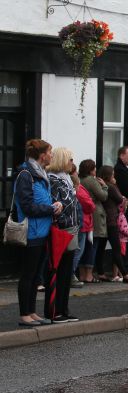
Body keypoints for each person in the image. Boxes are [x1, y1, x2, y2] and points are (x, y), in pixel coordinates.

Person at [13, 139, 61, 328]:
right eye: (50, 152)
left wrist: (54, 206)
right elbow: (27, 206)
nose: (52, 155)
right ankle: (24, 314)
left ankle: (31, 311)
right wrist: (50, 209)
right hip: (31, 232)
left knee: (35, 277)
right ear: (42, 155)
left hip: (42, 231)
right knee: (28, 275)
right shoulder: (26, 174)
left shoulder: (40, 174)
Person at [45, 147, 82, 323]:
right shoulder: (53, 180)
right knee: (58, 272)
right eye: (70, 160)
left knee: (67, 273)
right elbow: (59, 206)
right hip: (61, 230)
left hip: (71, 229)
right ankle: (55, 310)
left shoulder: (66, 179)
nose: (72, 163)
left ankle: (64, 308)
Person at [96, 165, 128, 283]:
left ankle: (101, 272)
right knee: (116, 248)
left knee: (101, 248)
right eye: (112, 174)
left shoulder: (103, 186)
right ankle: (125, 275)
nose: (114, 176)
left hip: (106, 219)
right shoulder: (111, 187)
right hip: (112, 220)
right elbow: (119, 199)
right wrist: (122, 197)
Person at [78, 159, 108, 281]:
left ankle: (81, 274)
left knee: (83, 246)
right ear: (91, 170)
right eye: (94, 168)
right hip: (94, 214)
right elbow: (103, 196)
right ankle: (89, 275)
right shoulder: (92, 180)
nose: (96, 170)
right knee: (92, 245)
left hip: (83, 214)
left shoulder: (80, 180)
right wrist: (105, 186)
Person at [72, 166, 94, 288]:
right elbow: (89, 204)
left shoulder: (80, 186)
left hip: (83, 221)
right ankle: (71, 275)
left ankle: (73, 275)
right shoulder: (78, 188)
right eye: (75, 172)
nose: (77, 173)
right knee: (78, 251)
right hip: (82, 222)